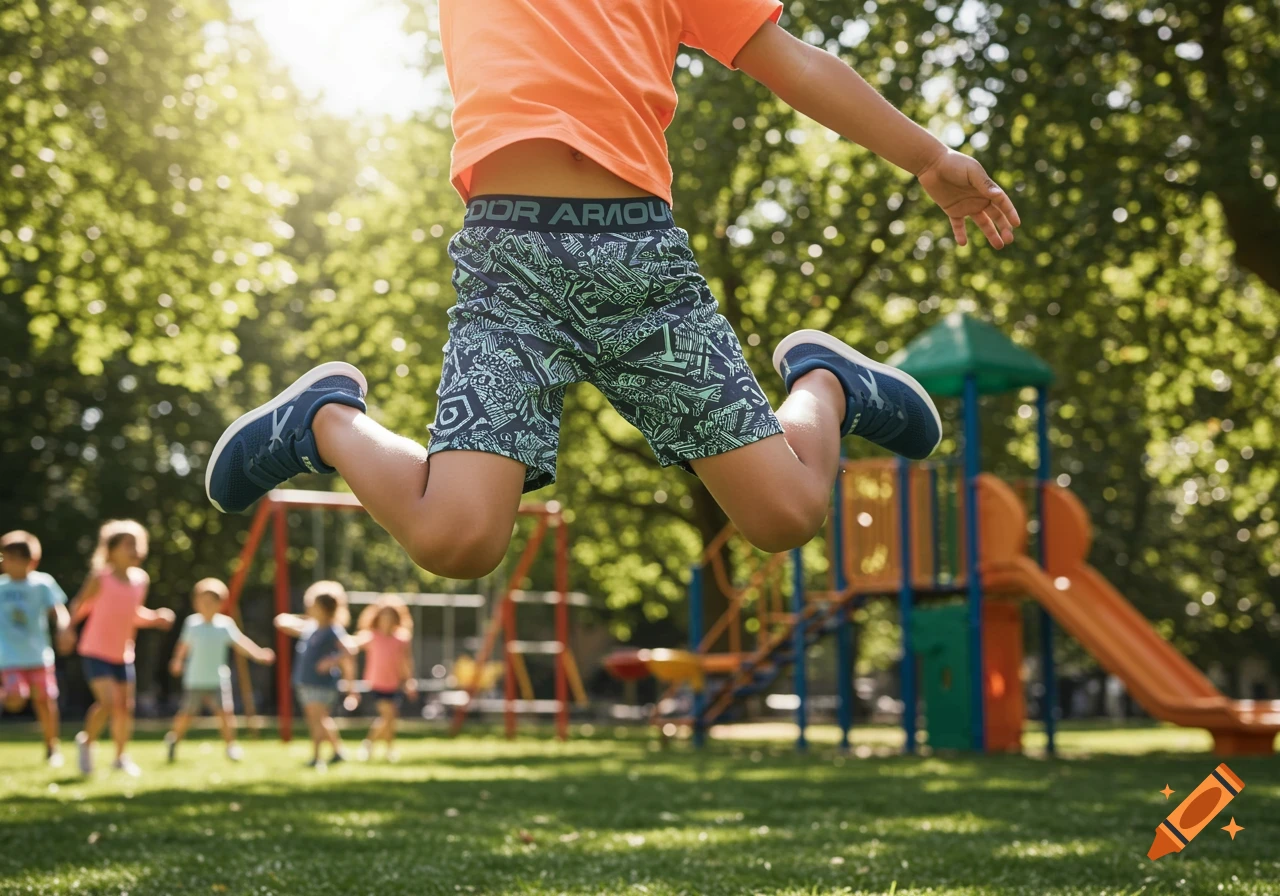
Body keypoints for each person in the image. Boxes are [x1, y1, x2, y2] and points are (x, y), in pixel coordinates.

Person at [205, 0, 1020, 580]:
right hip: (510, 264)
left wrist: (928, 156)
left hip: (642, 268)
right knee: (456, 541)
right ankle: (323, 420)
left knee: (784, 516)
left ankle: (826, 384)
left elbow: (794, 61)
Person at [69, 520, 175, 776]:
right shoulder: (100, 578)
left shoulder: (141, 580)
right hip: (94, 649)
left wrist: (155, 618)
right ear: (111, 549)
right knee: (106, 702)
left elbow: (133, 613)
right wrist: (68, 629)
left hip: (123, 652)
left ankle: (120, 757)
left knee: (124, 707)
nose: (135, 549)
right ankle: (87, 742)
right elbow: (80, 605)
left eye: (138, 544)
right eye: (128, 544)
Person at [164, 578, 276, 763]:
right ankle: (174, 739)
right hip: (195, 679)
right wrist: (177, 660)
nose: (207, 606)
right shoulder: (192, 624)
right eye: (203, 601)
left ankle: (231, 746)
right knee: (186, 714)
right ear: (196, 603)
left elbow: (241, 643)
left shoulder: (225, 625)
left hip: (217, 678)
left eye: (211, 602)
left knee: (225, 714)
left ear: (220, 604)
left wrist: (258, 654)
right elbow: (183, 645)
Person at [0, 530, 75, 767]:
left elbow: (58, 610)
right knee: (16, 698)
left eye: (9, 558)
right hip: (9, 656)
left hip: (39, 655)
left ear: (30, 561)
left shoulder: (42, 583)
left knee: (45, 702)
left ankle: (52, 747)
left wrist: (64, 628)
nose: (4, 563)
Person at [274, 581, 357, 768]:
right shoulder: (311, 627)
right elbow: (281, 620)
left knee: (316, 721)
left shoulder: (333, 631)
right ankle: (338, 751)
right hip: (306, 682)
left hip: (322, 684)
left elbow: (350, 650)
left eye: (313, 605)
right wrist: (306, 617)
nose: (309, 608)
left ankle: (317, 758)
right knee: (321, 720)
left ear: (325, 609)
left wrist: (331, 661)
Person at [352, 596, 416, 762]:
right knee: (388, 716)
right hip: (377, 682)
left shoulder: (402, 638)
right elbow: (352, 644)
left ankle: (386, 749)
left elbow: (406, 661)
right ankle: (370, 744)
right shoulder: (371, 636)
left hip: (395, 682)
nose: (386, 619)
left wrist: (409, 681)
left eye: (390, 616)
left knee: (390, 719)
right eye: (384, 615)